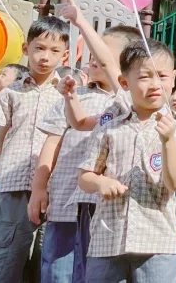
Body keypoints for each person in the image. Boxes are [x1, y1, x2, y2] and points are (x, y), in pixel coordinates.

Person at [77, 40, 176, 281]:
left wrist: (168, 141)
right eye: (144, 76)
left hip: (157, 242)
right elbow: (85, 177)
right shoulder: (109, 129)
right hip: (108, 240)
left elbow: (175, 183)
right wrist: (101, 183)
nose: (155, 84)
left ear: (173, 79)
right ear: (124, 82)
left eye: (161, 76)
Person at [0, 16, 69, 283]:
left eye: (54, 51)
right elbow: (3, 136)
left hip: (54, 187)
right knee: (4, 257)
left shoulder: (67, 93)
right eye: (38, 48)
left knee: (45, 257)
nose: (45, 57)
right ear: (26, 49)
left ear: (66, 55)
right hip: (12, 184)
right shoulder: (11, 92)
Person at [31, 51, 116, 283]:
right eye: (92, 56)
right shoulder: (77, 96)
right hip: (65, 197)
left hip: (103, 207)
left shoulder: (127, 102)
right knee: (58, 268)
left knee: (94, 270)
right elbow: (52, 142)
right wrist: (39, 187)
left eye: (104, 54)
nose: (95, 60)